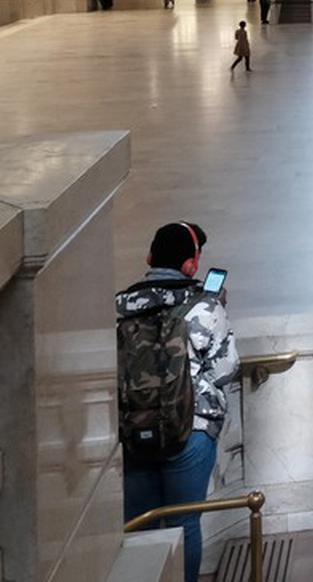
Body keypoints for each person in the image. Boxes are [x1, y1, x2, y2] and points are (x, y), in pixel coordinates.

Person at [118, 222, 238, 582]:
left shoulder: (119, 307)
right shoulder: (204, 307)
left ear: (150, 257)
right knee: (184, 521)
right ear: (190, 265)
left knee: (140, 525)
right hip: (190, 431)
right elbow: (226, 369)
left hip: (134, 432)